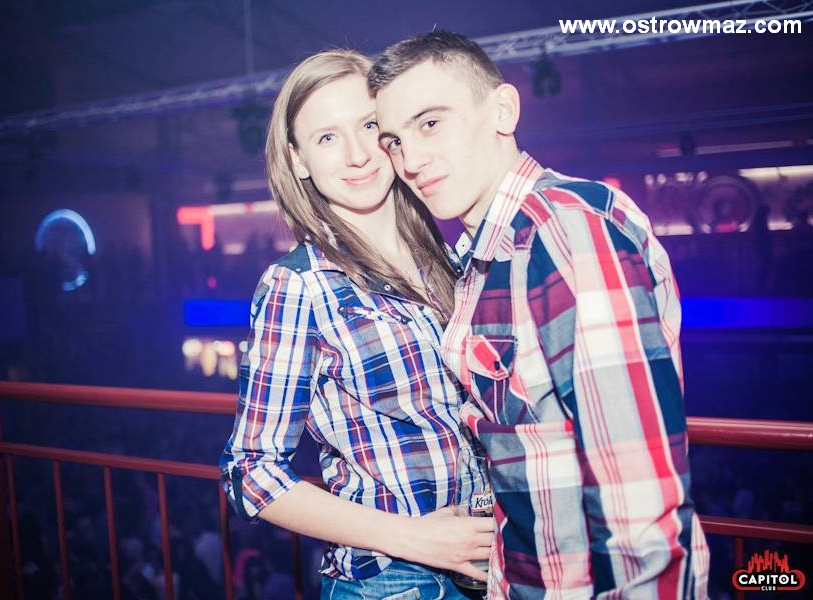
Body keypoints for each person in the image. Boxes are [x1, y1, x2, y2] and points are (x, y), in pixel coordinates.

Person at [370, 31, 710, 599]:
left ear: (503, 111)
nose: (411, 160)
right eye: (395, 142)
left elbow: (637, 491)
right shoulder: (491, 253)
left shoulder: (564, 229)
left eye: (430, 124)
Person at [220, 49, 494, 599]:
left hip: (488, 568)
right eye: (327, 137)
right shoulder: (299, 284)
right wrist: (416, 539)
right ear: (299, 160)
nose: (357, 154)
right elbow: (251, 471)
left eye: (368, 126)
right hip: (391, 581)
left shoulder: (450, 258)